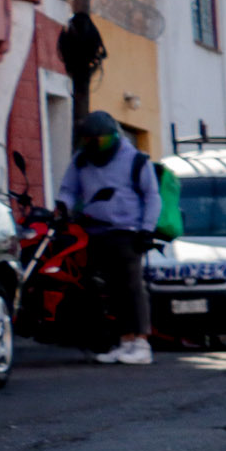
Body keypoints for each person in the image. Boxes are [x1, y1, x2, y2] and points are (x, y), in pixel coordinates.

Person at [57, 111, 159, 366]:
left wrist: (147, 229)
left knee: (132, 288)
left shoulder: (135, 160)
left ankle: (141, 343)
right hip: (94, 231)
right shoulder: (82, 160)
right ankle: (124, 342)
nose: (93, 147)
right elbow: (69, 189)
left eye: (99, 141)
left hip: (127, 232)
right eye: (88, 141)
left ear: (113, 138)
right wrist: (63, 208)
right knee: (111, 290)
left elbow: (152, 196)